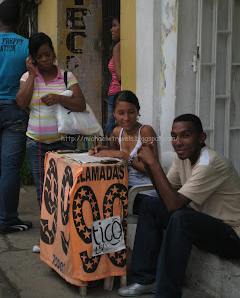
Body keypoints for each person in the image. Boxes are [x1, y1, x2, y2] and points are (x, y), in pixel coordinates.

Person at [118, 114, 240, 298]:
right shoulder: (181, 158)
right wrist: (151, 167)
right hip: (206, 222)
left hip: (231, 235)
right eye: (174, 136)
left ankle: (166, 294)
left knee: (180, 218)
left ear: (201, 138)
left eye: (185, 135)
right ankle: (145, 280)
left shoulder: (209, 163)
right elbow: (165, 194)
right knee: (151, 204)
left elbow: (174, 205)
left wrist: (154, 164)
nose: (177, 142)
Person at [16, 32, 86, 251]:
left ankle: (66, 235)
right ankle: (48, 237)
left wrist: (59, 98)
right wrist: (31, 73)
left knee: (66, 191)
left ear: (53, 53)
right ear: (33, 58)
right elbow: (21, 102)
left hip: (64, 143)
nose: (45, 59)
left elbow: (81, 104)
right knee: (44, 191)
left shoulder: (66, 76)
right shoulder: (29, 77)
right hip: (36, 142)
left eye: (48, 54)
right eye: (39, 56)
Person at [90, 90, 159, 212]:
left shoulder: (145, 132)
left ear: (138, 111)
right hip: (123, 187)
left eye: (131, 112)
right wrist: (105, 151)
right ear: (114, 114)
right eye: (121, 113)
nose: (126, 118)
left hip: (144, 192)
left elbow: (154, 172)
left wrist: (125, 156)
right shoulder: (117, 132)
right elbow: (116, 161)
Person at [0, 0, 32, 234]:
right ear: (18, 19)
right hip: (15, 110)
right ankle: (7, 219)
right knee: (10, 168)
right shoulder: (26, 46)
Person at [104, 15, 121, 134]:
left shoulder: (118, 47)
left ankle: (110, 152)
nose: (111, 29)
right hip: (117, 94)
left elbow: (119, 76)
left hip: (115, 94)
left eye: (115, 26)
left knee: (111, 128)